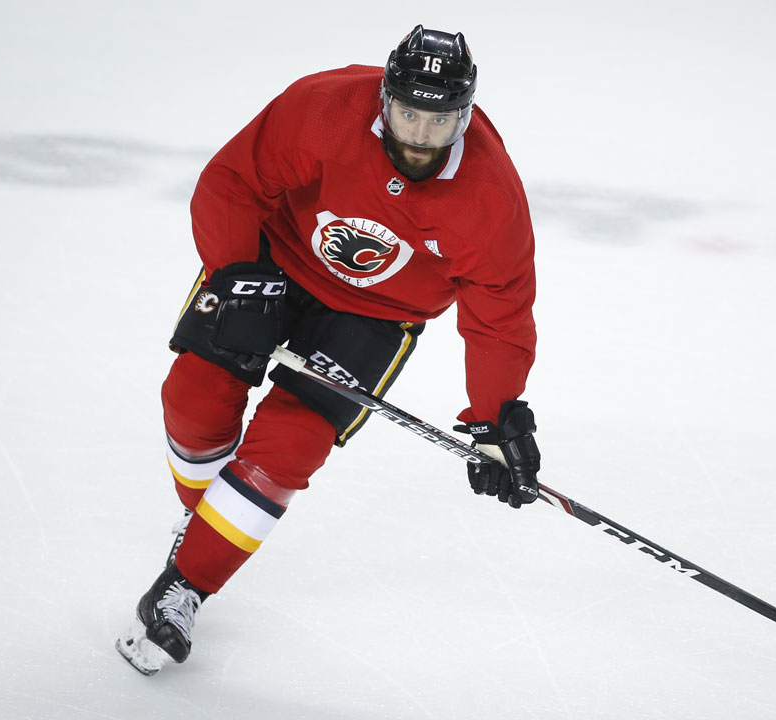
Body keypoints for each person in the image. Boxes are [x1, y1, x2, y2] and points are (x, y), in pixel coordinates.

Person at [116, 25, 542, 675]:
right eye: (407, 114)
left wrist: (494, 416)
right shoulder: (323, 108)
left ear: (466, 113)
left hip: (377, 316)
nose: (419, 138)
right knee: (196, 394)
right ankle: (199, 516)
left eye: (439, 122)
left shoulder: (491, 197)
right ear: (384, 100)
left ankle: (186, 584)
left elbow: (499, 319)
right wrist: (238, 276)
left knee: (289, 446)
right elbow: (231, 182)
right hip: (272, 259)